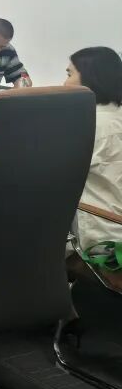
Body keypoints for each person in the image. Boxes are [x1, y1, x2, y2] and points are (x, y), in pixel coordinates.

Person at [63, 46, 122, 249]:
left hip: (102, 238)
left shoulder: (89, 124)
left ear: (90, 78)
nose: (64, 82)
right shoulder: (114, 116)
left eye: (69, 74)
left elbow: (52, 175)